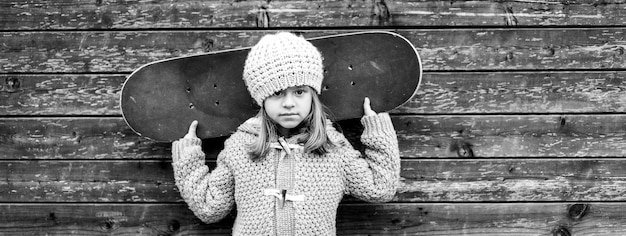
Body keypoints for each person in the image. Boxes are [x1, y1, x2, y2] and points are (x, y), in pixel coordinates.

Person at [171, 32, 400, 235]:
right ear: (262, 97)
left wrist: (376, 128)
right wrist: (188, 156)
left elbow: (381, 188)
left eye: (299, 91)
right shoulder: (240, 148)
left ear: (313, 95)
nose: (289, 103)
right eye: (278, 93)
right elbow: (210, 208)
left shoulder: (333, 149)